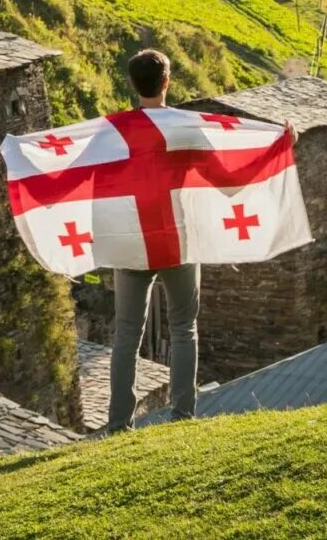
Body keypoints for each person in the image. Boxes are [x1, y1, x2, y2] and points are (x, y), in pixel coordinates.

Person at [106, 48, 199, 433]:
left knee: (126, 333)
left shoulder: (114, 132)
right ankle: (183, 418)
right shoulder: (185, 127)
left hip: (131, 240)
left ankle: (117, 425)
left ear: (132, 83)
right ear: (167, 81)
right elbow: (226, 173)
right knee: (184, 327)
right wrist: (279, 144)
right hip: (176, 237)